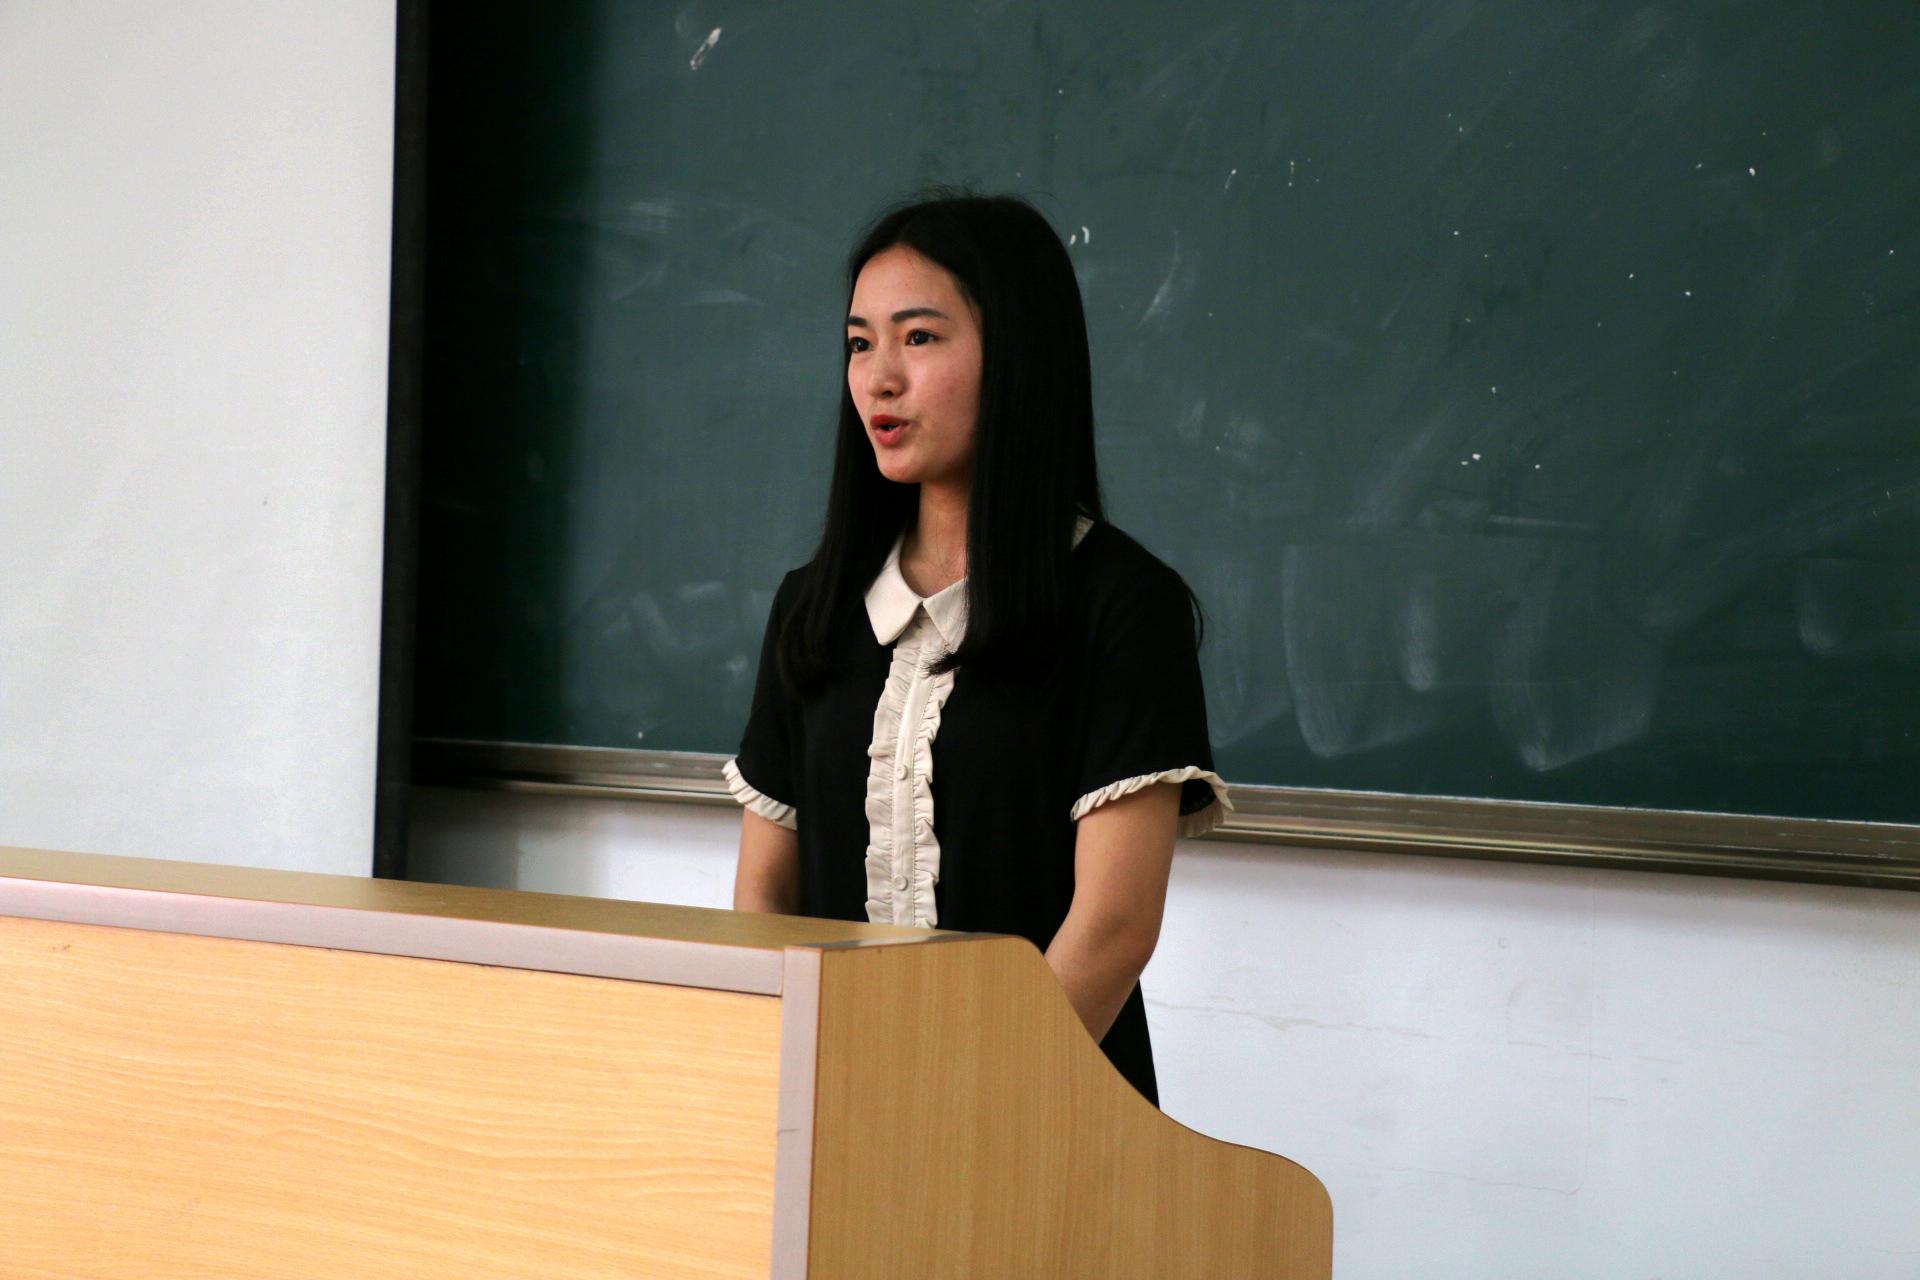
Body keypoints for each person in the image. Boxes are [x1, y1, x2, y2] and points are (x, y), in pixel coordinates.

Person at [724, 189, 1231, 1108]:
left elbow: (1113, 927)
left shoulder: (1121, 605)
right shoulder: (817, 605)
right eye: (859, 343)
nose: (879, 378)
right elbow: (764, 893)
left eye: (919, 337)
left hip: (1043, 1117)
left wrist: (964, 1108)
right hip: (836, 1108)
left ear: (1019, 356)